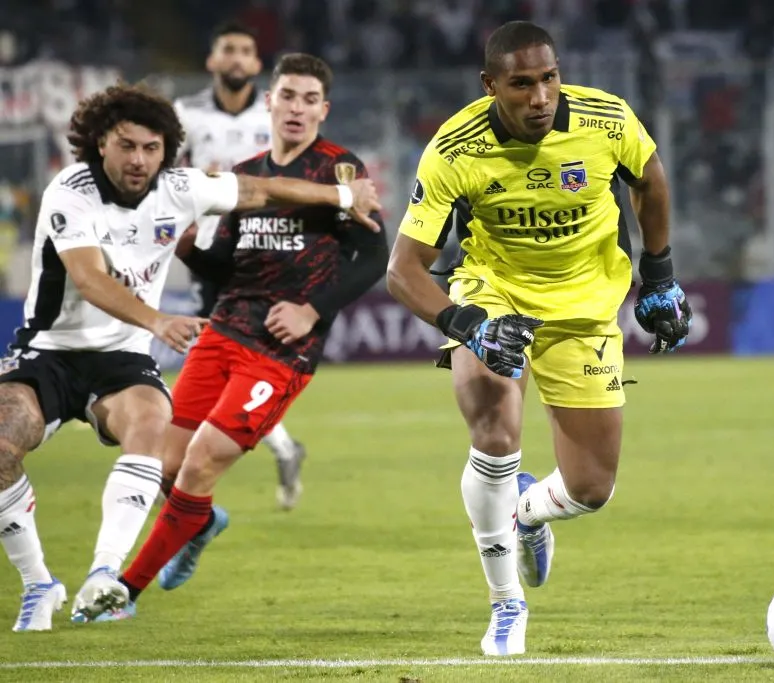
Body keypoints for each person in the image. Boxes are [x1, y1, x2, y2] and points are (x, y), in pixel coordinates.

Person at [0, 82, 379, 631]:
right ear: (99, 144)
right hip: (48, 351)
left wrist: (344, 197)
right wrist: (157, 320)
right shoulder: (71, 190)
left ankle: (105, 574)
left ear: (166, 150)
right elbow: (88, 277)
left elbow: (263, 190)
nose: (139, 160)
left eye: (151, 149)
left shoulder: (178, 187)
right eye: (126, 146)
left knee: (154, 430)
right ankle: (39, 584)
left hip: (122, 358)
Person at [386, 21, 692, 656]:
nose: (539, 97)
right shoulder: (455, 149)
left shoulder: (607, 121)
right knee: (493, 420)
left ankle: (525, 512)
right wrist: (469, 328)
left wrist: (659, 278)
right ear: (490, 85)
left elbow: (652, 180)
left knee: (591, 489)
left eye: (548, 78)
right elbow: (404, 271)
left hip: (586, 308)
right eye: (521, 84)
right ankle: (505, 605)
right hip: (494, 292)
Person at [174, 22, 308, 510]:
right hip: (208, 253)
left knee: (246, 362)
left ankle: (275, 446)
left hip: (263, 251)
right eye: (227, 49)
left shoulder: (275, 115)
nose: (236, 58)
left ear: (257, 65)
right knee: (229, 363)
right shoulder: (184, 115)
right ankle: (284, 446)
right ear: (213, 61)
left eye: (246, 51)